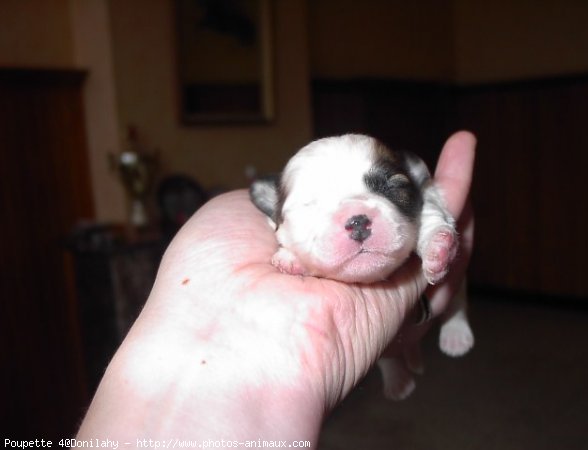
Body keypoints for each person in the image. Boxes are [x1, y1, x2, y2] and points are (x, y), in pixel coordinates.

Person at [76, 131, 476, 446]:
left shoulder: (416, 196)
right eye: (309, 206)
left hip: (421, 285)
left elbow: (429, 213)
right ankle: (399, 355)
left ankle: (447, 320)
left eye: (388, 188)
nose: (359, 220)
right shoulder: (277, 233)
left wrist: (433, 235)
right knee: (394, 336)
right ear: (275, 220)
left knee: (448, 268)